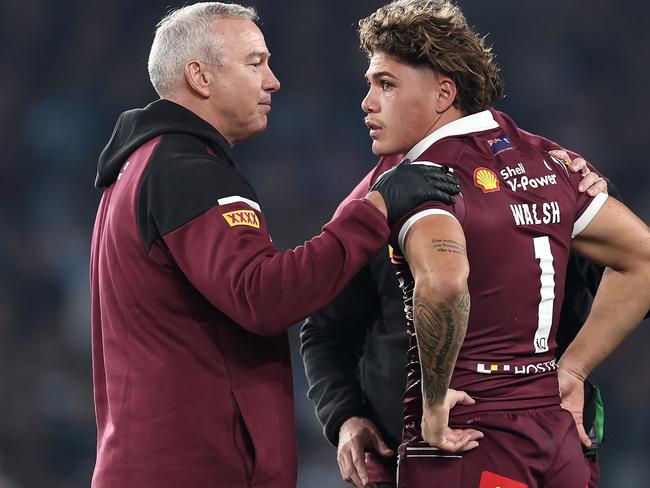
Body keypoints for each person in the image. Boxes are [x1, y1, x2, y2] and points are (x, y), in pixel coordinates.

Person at [89, 3, 461, 488]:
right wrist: (373, 210)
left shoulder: (140, 166)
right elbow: (263, 297)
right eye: (255, 63)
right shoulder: (187, 172)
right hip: (198, 469)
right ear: (200, 77)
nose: (273, 81)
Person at [306, 1, 650, 487]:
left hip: (459, 430)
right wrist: (572, 368)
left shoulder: (417, 184)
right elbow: (642, 260)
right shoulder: (551, 164)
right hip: (553, 432)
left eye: (385, 84)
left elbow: (445, 283)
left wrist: (432, 401)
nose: (366, 102)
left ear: (444, 93)